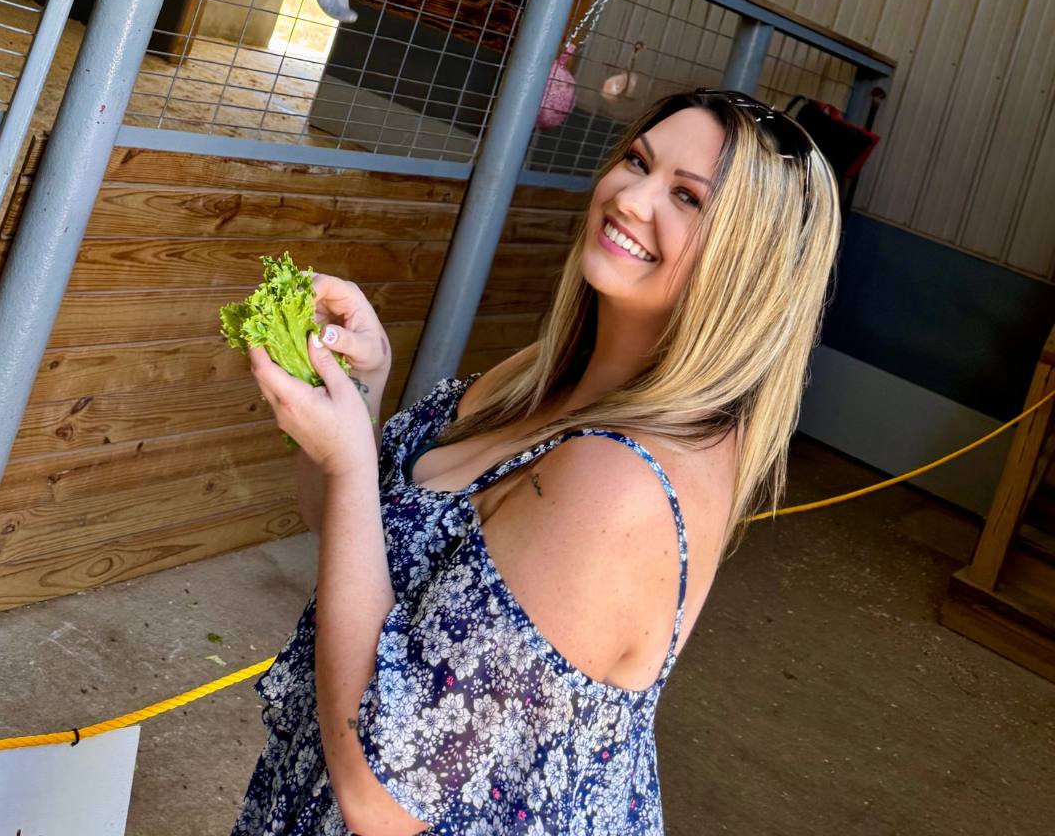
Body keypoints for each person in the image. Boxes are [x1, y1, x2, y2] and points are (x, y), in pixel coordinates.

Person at [233, 86, 841, 835]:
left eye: (687, 197)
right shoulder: (544, 375)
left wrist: (357, 463)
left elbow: (381, 799)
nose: (631, 197)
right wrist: (356, 400)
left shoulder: (621, 485)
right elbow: (345, 531)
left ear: (754, 265)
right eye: (636, 161)